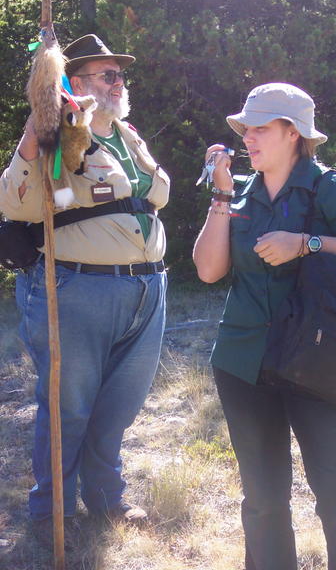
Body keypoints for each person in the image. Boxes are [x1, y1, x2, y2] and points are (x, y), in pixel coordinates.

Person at [193, 83, 336, 570]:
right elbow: (208, 269)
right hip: (244, 363)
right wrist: (221, 193)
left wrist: (307, 243)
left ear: (293, 133)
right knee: (262, 502)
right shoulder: (240, 193)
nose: (248, 138)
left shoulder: (332, 189)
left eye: (261, 128)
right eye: (245, 129)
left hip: (322, 365)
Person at [0, 34, 169, 545]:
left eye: (120, 75)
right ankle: (52, 510)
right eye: (107, 75)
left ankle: (106, 497)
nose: (119, 83)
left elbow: (153, 196)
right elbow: (19, 206)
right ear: (76, 84)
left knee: (120, 402)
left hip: (146, 291)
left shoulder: (127, 134)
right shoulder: (58, 136)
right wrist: (36, 132)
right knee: (69, 405)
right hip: (76, 287)